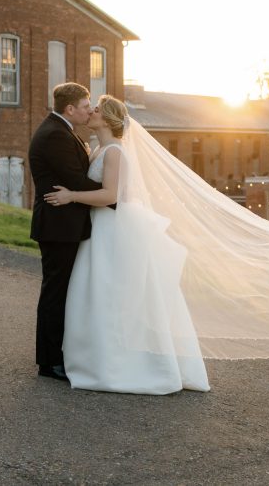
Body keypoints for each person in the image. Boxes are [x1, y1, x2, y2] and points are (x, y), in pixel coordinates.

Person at [45, 95, 210, 395]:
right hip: (100, 229)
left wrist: (71, 196)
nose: (90, 112)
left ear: (107, 120)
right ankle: (95, 358)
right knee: (94, 293)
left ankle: (118, 365)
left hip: (112, 228)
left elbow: (110, 195)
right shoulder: (99, 149)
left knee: (110, 293)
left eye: (96, 110)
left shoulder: (115, 153)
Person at [28, 82, 102, 381]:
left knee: (60, 293)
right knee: (55, 295)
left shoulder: (61, 130)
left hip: (64, 225)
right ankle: (49, 362)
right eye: (85, 106)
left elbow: (74, 180)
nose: (89, 111)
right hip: (58, 227)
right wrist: (117, 195)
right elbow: (76, 180)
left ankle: (56, 355)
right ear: (69, 108)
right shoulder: (55, 135)